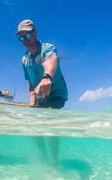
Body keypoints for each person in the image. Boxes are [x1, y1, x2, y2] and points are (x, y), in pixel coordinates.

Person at [17, 19, 69, 165]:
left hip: (57, 93)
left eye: (27, 35)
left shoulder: (47, 47)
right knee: (34, 129)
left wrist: (47, 77)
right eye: (21, 37)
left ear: (34, 33)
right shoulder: (24, 59)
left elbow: (51, 60)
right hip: (40, 98)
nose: (25, 40)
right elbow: (31, 85)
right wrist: (32, 103)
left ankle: (54, 161)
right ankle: (44, 158)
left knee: (51, 122)